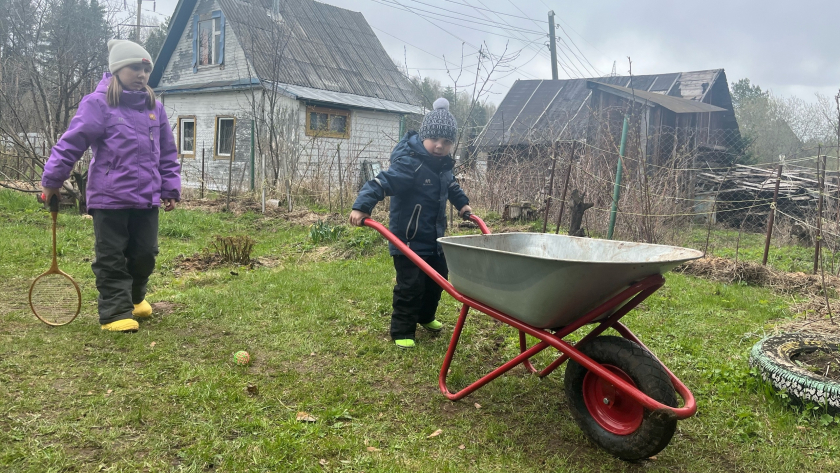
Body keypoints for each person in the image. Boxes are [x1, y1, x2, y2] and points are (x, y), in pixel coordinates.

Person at [41, 39, 180, 333]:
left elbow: (167, 152)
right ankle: (114, 313)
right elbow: (71, 143)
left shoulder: (154, 108)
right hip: (109, 199)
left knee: (145, 253)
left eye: (146, 69)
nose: (142, 74)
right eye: (134, 68)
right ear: (117, 69)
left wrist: (169, 188)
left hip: (146, 199)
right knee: (112, 256)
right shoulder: (98, 104)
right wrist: (52, 180)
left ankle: (134, 299)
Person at [350, 98, 471, 348]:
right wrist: (362, 206)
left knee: (437, 282)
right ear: (424, 137)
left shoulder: (443, 168)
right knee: (410, 287)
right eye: (434, 139)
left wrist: (463, 205)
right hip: (407, 241)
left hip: (435, 241)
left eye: (446, 142)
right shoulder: (410, 164)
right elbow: (381, 183)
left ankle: (425, 317)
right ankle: (402, 330)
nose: (439, 146)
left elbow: (452, 187)